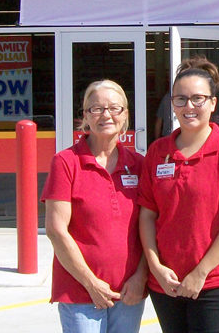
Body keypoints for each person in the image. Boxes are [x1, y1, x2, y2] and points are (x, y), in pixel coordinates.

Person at [137, 57, 219, 333]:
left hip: (217, 283)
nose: (189, 106)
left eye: (198, 99)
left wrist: (200, 273)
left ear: (213, 104)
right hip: (167, 284)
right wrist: (155, 267)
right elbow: (147, 215)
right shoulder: (158, 152)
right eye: (181, 99)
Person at [43, 80, 148, 333]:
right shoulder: (66, 162)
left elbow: (150, 228)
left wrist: (141, 277)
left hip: (128, 292)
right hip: (80, 292)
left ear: (125, 116)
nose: (106, 115)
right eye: (96, 108)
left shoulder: (139, 165)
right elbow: (56, 230)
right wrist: (91, 284)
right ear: (85, 116)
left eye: (115, 108)